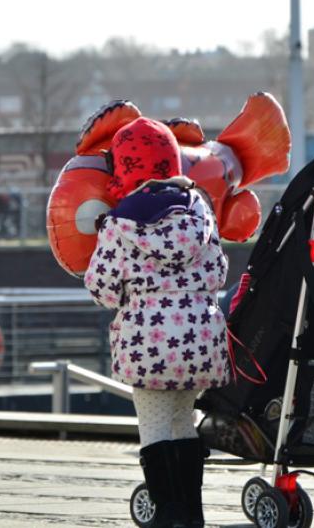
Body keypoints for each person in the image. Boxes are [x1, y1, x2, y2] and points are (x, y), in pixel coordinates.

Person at [84, 116, 229, 528]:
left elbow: (103, 289)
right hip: (201, 341)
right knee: (184, 423)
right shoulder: (199, 210)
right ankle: (193, 514)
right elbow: (219, 270)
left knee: (155, 427)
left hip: (149, 346)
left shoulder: (119, 224)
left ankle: (170, 515)